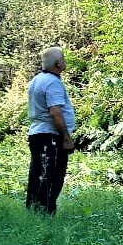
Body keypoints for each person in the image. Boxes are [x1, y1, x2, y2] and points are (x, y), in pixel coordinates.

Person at [26, 46, 76, 214]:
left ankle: (33, 212)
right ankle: (45, 214)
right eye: (63, 58)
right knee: (52, 177)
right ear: (57, 63)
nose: (64, 61)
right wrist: (66, 138)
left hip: (37, 134)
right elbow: (55, 112)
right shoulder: (53, 82)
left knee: (38, 175)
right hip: (51, 137)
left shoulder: (37, 80)